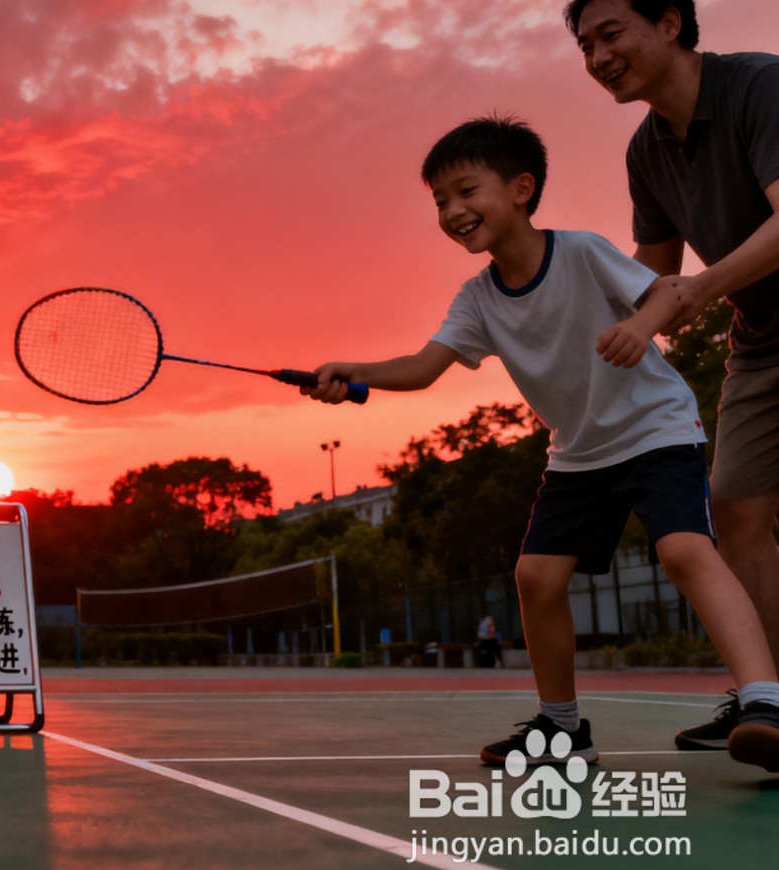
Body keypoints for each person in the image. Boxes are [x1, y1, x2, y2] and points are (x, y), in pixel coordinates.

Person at [302, 115, 779, 772]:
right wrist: (354, 372)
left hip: (654, 428)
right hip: (579, 453)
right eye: (440, 201)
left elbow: (665, 292)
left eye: (466, 191)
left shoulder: (581, 251)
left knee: (684, 550)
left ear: (522, 188)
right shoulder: (477, 300)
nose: (452, 211)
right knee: (535, 576)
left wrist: (640, 327)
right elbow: (422, 366)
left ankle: (765, 701)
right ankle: (562, 728)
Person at [563, 0, 779, 753]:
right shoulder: (645, 152)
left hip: (746, 315)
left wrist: (701, 288)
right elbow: (652, 280)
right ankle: (770, 698)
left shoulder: (760, 86)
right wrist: (553, 331)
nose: (597, 56)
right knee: (734, 509)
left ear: (670, 24)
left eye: (611, 34)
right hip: (761, 340)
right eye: (585, 44)